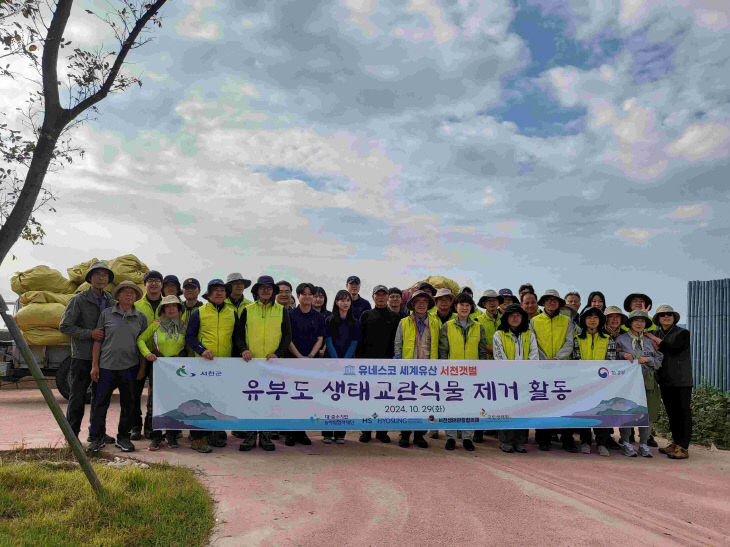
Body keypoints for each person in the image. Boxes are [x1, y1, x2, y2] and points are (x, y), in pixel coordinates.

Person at [87, 281, 148, 453]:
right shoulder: (106, 314)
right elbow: (98, 341)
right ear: (118, 296)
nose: (129, 295)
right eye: (125, 292)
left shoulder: (141, 318)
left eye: (132, 293)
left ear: (136, 297)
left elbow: (142, 344)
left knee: (128, 405)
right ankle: (97, 438)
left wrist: (142, 368)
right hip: (106, 367)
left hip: (130, 367)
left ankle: (123, 438)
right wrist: (94, 366)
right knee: (100, 404)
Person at [59, 261, 116, 445]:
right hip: (82, 356)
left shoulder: (110, 301)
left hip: (104, 357)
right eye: (97, 274)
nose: (101, 278)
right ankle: (72, 436)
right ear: (90, 278)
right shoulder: (79, 300)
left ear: (108, 279)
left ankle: (97, 433)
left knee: (100, 398)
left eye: (104, 275)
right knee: (77, 397)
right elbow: (65, 326)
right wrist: (89, 333)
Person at [235, 275, 292, 452]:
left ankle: (266, 437)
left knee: (268, 401)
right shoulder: (247, 309)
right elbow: (238, 335)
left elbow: (287, 336)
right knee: (250, 400)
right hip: (250, 363)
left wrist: (278, 354)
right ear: (257, 291)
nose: (266, 290)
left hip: (272, 363)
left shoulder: (282, 311)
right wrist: (243, 349)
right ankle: (250, 436)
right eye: (262, 288)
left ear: (273, 291)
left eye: (269, 288)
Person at [185, 279, 237, 453]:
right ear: (208, 294)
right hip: (203, 365)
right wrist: (202, 350)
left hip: (225, 365)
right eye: (215, 290)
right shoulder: (199, 312)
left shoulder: (232, 312)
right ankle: (197, 438)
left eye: (222, 290)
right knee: (201, 402)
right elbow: (190, 337)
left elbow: (237, 338)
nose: (219, 293)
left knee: (220, 401)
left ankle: (217, 434)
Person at [438, 293, 488, 451]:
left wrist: (482, 370)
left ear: (471, 308)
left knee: (470, 406)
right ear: (456, 307)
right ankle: (451, 437)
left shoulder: (479, 327)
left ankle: (467, 437)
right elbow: (443, 351)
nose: (465, 307)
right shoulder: (448, 326)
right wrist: (444, 370)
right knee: (452, 406)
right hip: (452, 373)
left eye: (467, 305)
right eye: (461, 305)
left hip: (473, 374)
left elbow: (482, 352)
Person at [136, 295, 187, 451]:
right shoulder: (156, 325)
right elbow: (141, 340)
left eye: (174, 306)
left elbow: (190, 344)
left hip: (178, 369)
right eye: (167, 306)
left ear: (179, 310)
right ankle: (156, 437)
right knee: (155, 403)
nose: (171, 309)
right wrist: (147, 354)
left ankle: (172, 436)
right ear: (163, 309)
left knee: (176, 403)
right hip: (159, 367)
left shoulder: (184, 326)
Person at [531, 289, 576, 452]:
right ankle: (543, 438)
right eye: (548, 300)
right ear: (543, 302)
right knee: (543, 403)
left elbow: (569, 342)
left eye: (554, 300)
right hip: (542, 368)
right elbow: (532, 342)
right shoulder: (535, 321)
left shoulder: (566, 320)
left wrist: (557, 358)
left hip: (562, 367)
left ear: (559, 303)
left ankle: (567, 439)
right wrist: (544, 359)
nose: (551, 303)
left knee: (565, 404)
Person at [393, 290, 438, 449]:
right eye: (417, 301)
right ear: (412, 305)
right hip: (408, 370)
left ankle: (420, 435)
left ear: (428, 305)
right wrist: (398, 363)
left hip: (428, 370)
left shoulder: (435, 322)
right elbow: (398, 345)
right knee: (407, 402)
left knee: (425, 403)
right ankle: (405, 434)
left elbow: (438, 345)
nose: (421, 304)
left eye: (424, 302)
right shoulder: (404, 322)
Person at [646, 305, 692, 460]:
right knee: (672, 413)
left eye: (669, 314)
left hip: (681, 380)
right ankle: (675, 442)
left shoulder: (683, 333)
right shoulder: (656, 332)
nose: (666, 317)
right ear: (658, 318)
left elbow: (674, 348)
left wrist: (656, 340)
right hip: (665, 380)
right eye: (663, 315)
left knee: (683, 413)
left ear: (674, 318)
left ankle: (683, 447)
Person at [615, 310, 663, 458]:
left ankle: (643, 443)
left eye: (642, 321)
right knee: (627, 411)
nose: (639, 323)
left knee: (646, 413)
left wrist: (648, 360)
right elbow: (613, 358)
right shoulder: (620, 340)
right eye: (636, 320)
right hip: (627, 383)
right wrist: (623, 355)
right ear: (630, 323)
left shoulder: (650, 341)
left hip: (647, 381)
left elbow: (660, 360)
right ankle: (626, 442)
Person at [492, 304, 538, 453]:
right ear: (506, 317)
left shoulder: (529, 334)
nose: (515, 318)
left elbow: (534, 356)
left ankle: (520, 441)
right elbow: (499, 358)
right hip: (505, 380)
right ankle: (505, 441)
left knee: (523, 410)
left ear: (523, 318)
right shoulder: (499, 335)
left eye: (518, 315)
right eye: (512, 315)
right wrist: (511, 374)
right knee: (507, 411)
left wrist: (524, 375)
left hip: (525, 380)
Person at [571, 307, 617, 456]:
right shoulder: (577, 338)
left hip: (602, 384)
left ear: (600, 320)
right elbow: (575, 360)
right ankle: (585, 441)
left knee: (602, 414)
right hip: (583, 383)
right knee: (585, 413)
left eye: (595, 317)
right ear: (584, 321)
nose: (592, 320)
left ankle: (602, 443)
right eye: (589, 317)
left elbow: (611, 361)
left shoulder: (607, 338)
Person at [357, 285, 400, 444]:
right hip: (367, 364)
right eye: (378, 295)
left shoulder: (395, 317)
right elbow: (360, 340)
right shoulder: (366, 315)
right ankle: (366, 431)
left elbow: (397, 342)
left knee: (385, 399)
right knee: (367, 398)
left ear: (387, 297)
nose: (381, 297)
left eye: (384, 295)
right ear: (373, 297)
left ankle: (382, 432)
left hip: (387, 365)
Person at [286, 282, 325, 446]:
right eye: (304, 294)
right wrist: (299, 356)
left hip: (311, 363)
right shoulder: (290, 314)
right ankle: (290, 433)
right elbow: (287, 338)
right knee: (291, 398)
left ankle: (301, 432)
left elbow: (320, 338)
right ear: (298, 296)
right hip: (291, 361)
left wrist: (309, 357)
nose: (308, 297)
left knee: (305, 398)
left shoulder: (319, 317)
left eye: (311, 294)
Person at [323, 290, 361, 444]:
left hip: (348, 364)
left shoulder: (355, 322)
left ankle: (340, 433)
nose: (345, 303)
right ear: (336, 302)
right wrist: (336, 360)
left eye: (348, 300)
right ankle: (327, 433)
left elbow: (354, 342)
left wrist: (344, 361)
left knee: (343, 399)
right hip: (330, 363)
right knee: (328, 397)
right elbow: (328, 341)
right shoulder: (329, 320)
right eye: (341, 300)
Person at [132, 270, 164, 440]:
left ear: (161, 284)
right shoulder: (136, 305)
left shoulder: (169, 305)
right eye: (150, 280)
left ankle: (151, 427)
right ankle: (135, 426)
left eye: (157, 280)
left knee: (156, 395)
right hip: (137, 356)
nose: (153, 283)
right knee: (134, 393)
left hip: (161, 359)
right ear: (145, 285)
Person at [477, 290, 501, 359]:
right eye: (489, 301)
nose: (492, 303)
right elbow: (477, 341)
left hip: (504, 359)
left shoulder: (505, 319)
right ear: (484, 304)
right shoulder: (478, 321)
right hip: (485, 361)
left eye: (494, 300)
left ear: (498, 302)